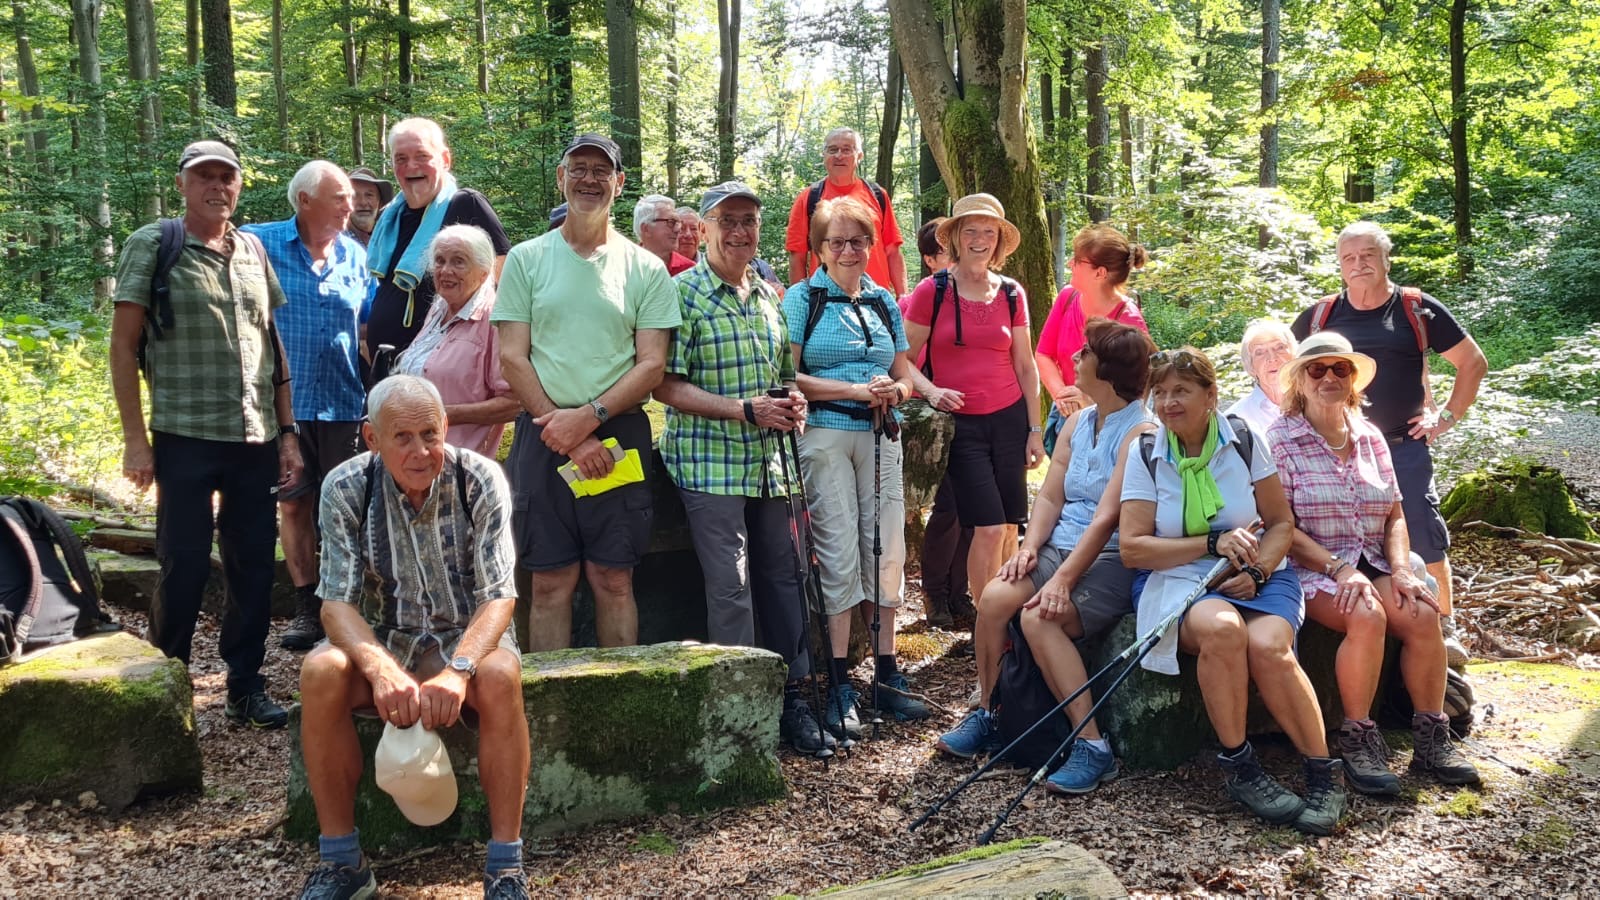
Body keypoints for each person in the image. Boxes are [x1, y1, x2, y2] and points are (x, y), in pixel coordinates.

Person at [295, 376, 529, 900]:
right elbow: (335, 603)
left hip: (465, 635)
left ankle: (506, 867)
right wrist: (380, 670)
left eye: (429, 433)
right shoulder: (346, 486)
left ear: (445, 427)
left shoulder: (479, 479)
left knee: (499, 676)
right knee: (320, 672)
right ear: (372, 438)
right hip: (384, 635)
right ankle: (342, 862)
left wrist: (459, 670)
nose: (420, 451)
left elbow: (499, 596)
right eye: (402, 437)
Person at [109, 139, 302, 729]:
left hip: (254, 439)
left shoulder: (252, 250)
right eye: (204, 177)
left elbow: (272, 345)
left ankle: (244, 686)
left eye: (226, 177)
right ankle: (167, 688)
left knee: (251, 566)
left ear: (239, 185)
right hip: (183, 434)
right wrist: (135, 440)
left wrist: (288, 434)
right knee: (183, 564)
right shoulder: (154, 244)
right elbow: (122, 345)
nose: (217, 186)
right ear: (183, 184)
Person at [1119, 347, 1347, 835]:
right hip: (1178, 577)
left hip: (1257, 571)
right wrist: (1209, 543)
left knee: (1269, 646)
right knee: (1223, 631)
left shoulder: (1243, 438)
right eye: (1160, 393)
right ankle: (1241, 768)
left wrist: (1260, 571)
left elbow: (1281, 523)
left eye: (1181, 391)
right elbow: (1134, 549)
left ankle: (1324, 774)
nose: (1168, 403)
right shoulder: (1146, 452)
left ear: (1210, 395)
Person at [654, 181, 832, 756]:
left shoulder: (766, 295)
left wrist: (794, 404)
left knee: (786, 578)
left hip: (770, 464)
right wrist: (743, 410)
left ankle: (793, 699)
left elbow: (785, 377)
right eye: (727, 221)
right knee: (731, 588)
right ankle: (741, 712)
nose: (739, 232)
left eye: (748, 221)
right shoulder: (681, 295)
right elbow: (665, 385)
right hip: (709, 462)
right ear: (703, 228)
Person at [938, 319, 1155, 791]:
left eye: (1085, 352)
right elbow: (1052, 497)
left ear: (1109, 369)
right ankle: (989, 712)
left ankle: (1091, 745)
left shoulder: (1140, 432)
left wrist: (1062, 581)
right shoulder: (1078, 422)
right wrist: (1030, 548)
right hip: (1058, 544)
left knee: (1039, 619)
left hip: (1110, 557)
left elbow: (1107, 519)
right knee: (995, 599)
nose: (1074, 357)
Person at [493, 133, 681, 650]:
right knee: (549, 582)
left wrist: (589, 418)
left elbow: (652, 364)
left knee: (613, 578)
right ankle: (550, 697)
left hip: (618, 435)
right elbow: (512, 357)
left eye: (601, 171)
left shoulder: (646, 268)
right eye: (578, 168)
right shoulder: (526, 260)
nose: (589, 179)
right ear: (561, 177)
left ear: (619, 183)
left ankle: (620, 690)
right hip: (543, 432)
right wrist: (568, 431)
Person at [1268, 332, 1479, 793]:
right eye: (1317, 369)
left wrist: (1402, 569)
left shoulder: (1369, 436)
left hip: (1374, 561)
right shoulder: (1280, 440)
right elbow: (1280, 524)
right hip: (1313, 566)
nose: (1328, 377)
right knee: (1366, 615)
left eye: (1340, 368)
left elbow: (1395, 513)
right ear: (1299, 380)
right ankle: (1358, 739)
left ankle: (1432, 738)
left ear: (1353, 379)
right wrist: (1338, 569)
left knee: (1422, 612)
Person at [785, 196, 928, 739]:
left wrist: (898, 390)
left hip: (881, 434)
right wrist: (852, 389)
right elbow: (787, 376)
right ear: (819, 249)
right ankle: (841, 682)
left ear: (872, 245)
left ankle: (887, 674)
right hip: (824, 435)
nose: (849, 250)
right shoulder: (802, 298)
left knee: (887, 547)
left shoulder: (883, 300)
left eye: (859, 241)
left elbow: (905, 373)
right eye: (837, 242)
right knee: (839, 550)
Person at [1292, 221, 1488, 617]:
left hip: (1402, 448)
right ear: (1339, 265)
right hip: (1330, 454)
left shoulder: (1416, 309)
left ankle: (1444, 627)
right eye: (1349, 257)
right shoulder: (1320, 316)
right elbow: (1285, 369)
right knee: (1339, 542)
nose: (1358, 264)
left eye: (1368, 255)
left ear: (1386, 259)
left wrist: (1446, 417)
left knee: (1424, 540)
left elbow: (1473, 362)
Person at [241, 161, 373, 652]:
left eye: (352, 197)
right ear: (304, 201)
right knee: (294, 502)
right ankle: (306, 606)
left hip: (344, 402)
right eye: (340, 197)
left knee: (346, 506)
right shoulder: (259, 244)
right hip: (284, 406)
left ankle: (347, 603)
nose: (351, 205)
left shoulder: (355, 255)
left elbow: (366, 328)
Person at [903, 194, 1045, 611]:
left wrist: (1034, 430)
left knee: (1009, 527)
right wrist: (932, 392)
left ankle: (1007, 616)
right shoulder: (933, 290)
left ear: (998, 241)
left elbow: (1026, 365)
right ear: (955, 238)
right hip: (960, 425)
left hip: (1009, 420)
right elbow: (902, 358)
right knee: (987, 527)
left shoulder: (1012, 293)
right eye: (971, 231)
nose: (980, 240)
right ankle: (990, 622)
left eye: (989, 232)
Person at [366, 117, 511, 363]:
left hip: (446, 366)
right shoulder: (388, 218)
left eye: (422, 156)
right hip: (386, 365)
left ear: (445, 159)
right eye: (401, 159)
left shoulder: (465, 205)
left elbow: (505, 281)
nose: (411, 166)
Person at [395, 225, 520, 458]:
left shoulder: (495, 319)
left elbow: (515, 403)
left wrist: (443, 414)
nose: (445, 270)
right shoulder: (439, 308)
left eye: (458, 262)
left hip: (459, 460)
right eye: (439, 261)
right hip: (417, 454)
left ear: (484, 272)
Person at [908, 218, 973, 628]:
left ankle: (958, 590)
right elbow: (905, 361)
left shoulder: (981, 293)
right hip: (933, 419)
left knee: (973, 511)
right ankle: (934, 594)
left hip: (978, 414)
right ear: (930, 259)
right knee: (948, 508)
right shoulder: (922, 298)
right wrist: (932, 392)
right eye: (947, 252)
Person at [1035, 225, 1149, 451]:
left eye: (1078, 260)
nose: (1070, 263)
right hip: (1066, 415)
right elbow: (1043, 354)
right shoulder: (1067, 297)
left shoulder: (1128, 321)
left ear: (1100, 273)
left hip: (1107, 429)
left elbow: (1137, 392)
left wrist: (1088, 400)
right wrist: (1062, 396)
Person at [785, 127, 908, 297]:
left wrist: (903, 298)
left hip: (875, 300)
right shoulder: (808, 198)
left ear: (859, 156)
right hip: (826, 301)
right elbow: (797, 256)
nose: (839, 155)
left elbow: (893, 252)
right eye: (832, 150)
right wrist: (801, 300)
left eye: (846, 149)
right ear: (824, 155)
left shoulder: (877, 195)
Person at [1226, 319, 1297, 441]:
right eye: (1260, 352)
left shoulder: (1317, 403)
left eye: (1279, 347)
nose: (1272, 358)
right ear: (1251, 367)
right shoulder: (1236, 419)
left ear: (1294, 355)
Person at [633, 194, 696, 275]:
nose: (678, 229)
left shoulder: (689, 270)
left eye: (678, 222)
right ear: (646, 229)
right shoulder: (624, 265)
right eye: (671, 222)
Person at [345, 166, 394, 248]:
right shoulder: (335, 243)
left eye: (369, 195)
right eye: (354, 195)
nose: (363, 202)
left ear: (380, 203)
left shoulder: (389, 241)